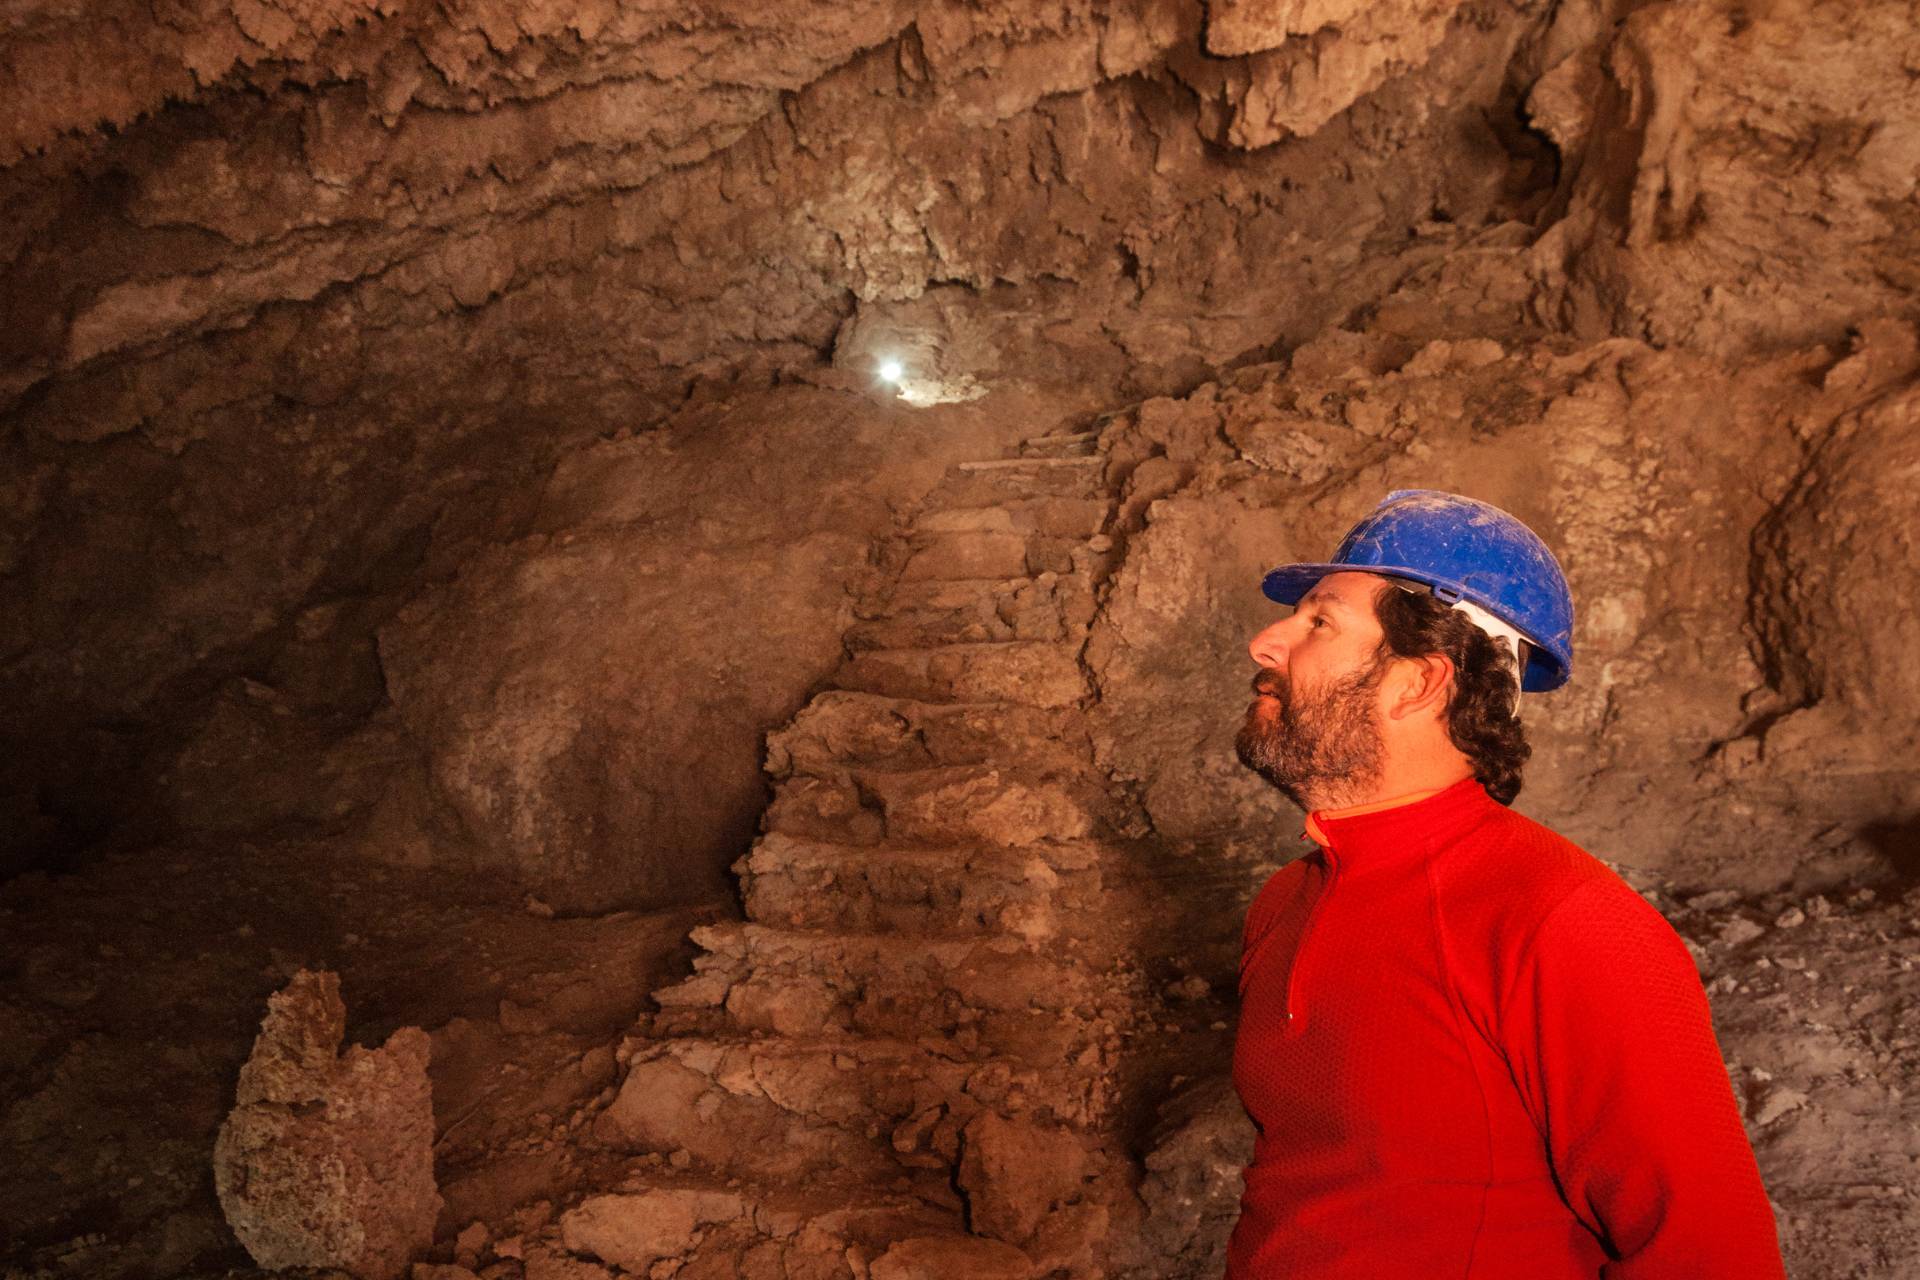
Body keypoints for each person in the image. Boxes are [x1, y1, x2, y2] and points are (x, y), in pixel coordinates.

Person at [1227, 489, 1786, 1278]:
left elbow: (1713, 1255)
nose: (1265, 643)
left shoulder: (1566, 922)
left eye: (1319, 621)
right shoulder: (1287, 901)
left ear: (1417, 684)